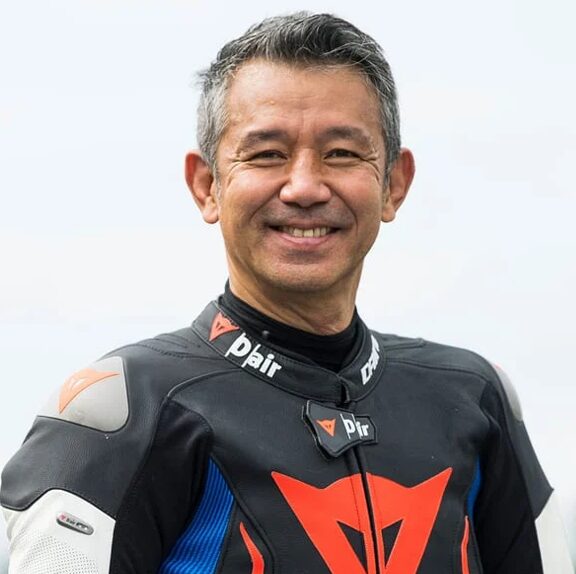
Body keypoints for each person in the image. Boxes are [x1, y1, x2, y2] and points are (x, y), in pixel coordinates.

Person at [1, 12, 573, 574]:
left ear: (394, 184)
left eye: (342, 153)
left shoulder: (474, 398)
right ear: (207, 185)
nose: (304, 187)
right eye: (267, 154)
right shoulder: (126, 409)